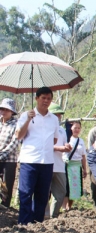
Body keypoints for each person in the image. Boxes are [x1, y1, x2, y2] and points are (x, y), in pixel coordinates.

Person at [15, 87, 60, 224]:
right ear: (36, 99)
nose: (46, 101)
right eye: (43, 98)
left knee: (42, 196)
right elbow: (18, 136)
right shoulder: (26, 115)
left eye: (48, 98)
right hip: (29, 160)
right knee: (26, 194)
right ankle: (23, 223)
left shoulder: (54, 119)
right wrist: (28, 120)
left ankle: (37, 224)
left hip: (46, 161)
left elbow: (55, 139)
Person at [46, 103, 71, 219]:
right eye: (56, 115)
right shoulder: (45, 129)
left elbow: (64, 143)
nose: (59, 117)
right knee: (44, 191)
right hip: (46, 163)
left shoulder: (62, 130)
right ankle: (44, 216)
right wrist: (59, 148)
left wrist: (66, 146)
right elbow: (45, 145)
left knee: (61, 191)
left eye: (59, 115)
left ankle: (53, 215)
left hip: (59, 165)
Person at [63, 121, 87, 210]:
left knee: (75, 187)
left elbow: (83, 156)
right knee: (67, 187)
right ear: (71, 128)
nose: (77, 130)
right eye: (75, 127)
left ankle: (69, 206)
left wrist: (84, 169)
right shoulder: (67, 139)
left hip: (77, 166)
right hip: (68, 165)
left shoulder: (81, 141)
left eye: (78, 128)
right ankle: (64, 207)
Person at [0, 98, 20, 208]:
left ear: (11, 111)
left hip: (9, 159)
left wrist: (3, 155)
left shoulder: (16, 124)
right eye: (2, 109)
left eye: (6, 110)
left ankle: (5, 205)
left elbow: (15, 142)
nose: (3, 112)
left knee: (6, 183)